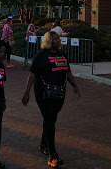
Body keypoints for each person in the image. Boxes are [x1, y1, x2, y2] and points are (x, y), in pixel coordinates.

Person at [22, 31, 80, 168]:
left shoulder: (62, 55)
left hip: (59, 93)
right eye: (55, 39)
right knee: (49, 119)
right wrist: (26, 93)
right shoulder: (41, 56)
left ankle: (43, 144)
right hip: (43, 93)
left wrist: (75, 86)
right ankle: (52, 155)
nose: (58, 41)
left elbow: (67, 72)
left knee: (51, 119)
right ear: (49, 41)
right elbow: (32, 75)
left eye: (58, 38)